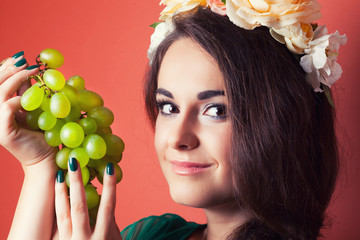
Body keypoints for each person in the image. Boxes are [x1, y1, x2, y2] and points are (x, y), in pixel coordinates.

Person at [1, 1, 346, 239]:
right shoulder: (153, 233)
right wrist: (39, 165)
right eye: (168, 107)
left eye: (217, 110)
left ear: (282, 121)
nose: (179, 138)